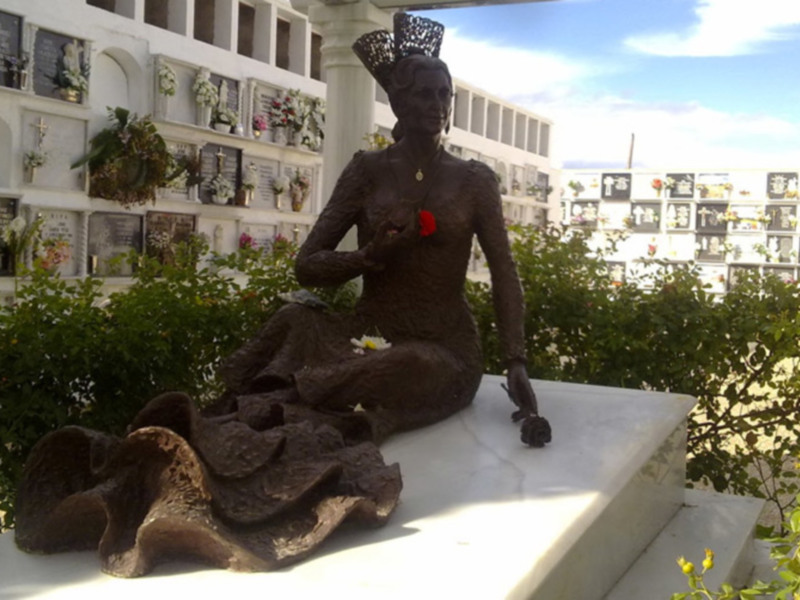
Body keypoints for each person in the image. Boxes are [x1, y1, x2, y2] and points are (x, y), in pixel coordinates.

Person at [14, 13, 548, 578]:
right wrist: (369, 258)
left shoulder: (474, 181)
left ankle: (272, 413)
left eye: (445, 94)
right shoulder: (367, 170)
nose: (437, 105)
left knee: (404, 360)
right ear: (398, 102)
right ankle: (223, 431)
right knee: (295, 320)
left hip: (439, 351)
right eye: (424, 94)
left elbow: (505, 273)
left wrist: (515, 361)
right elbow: (309, 265)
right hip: (363, 335)